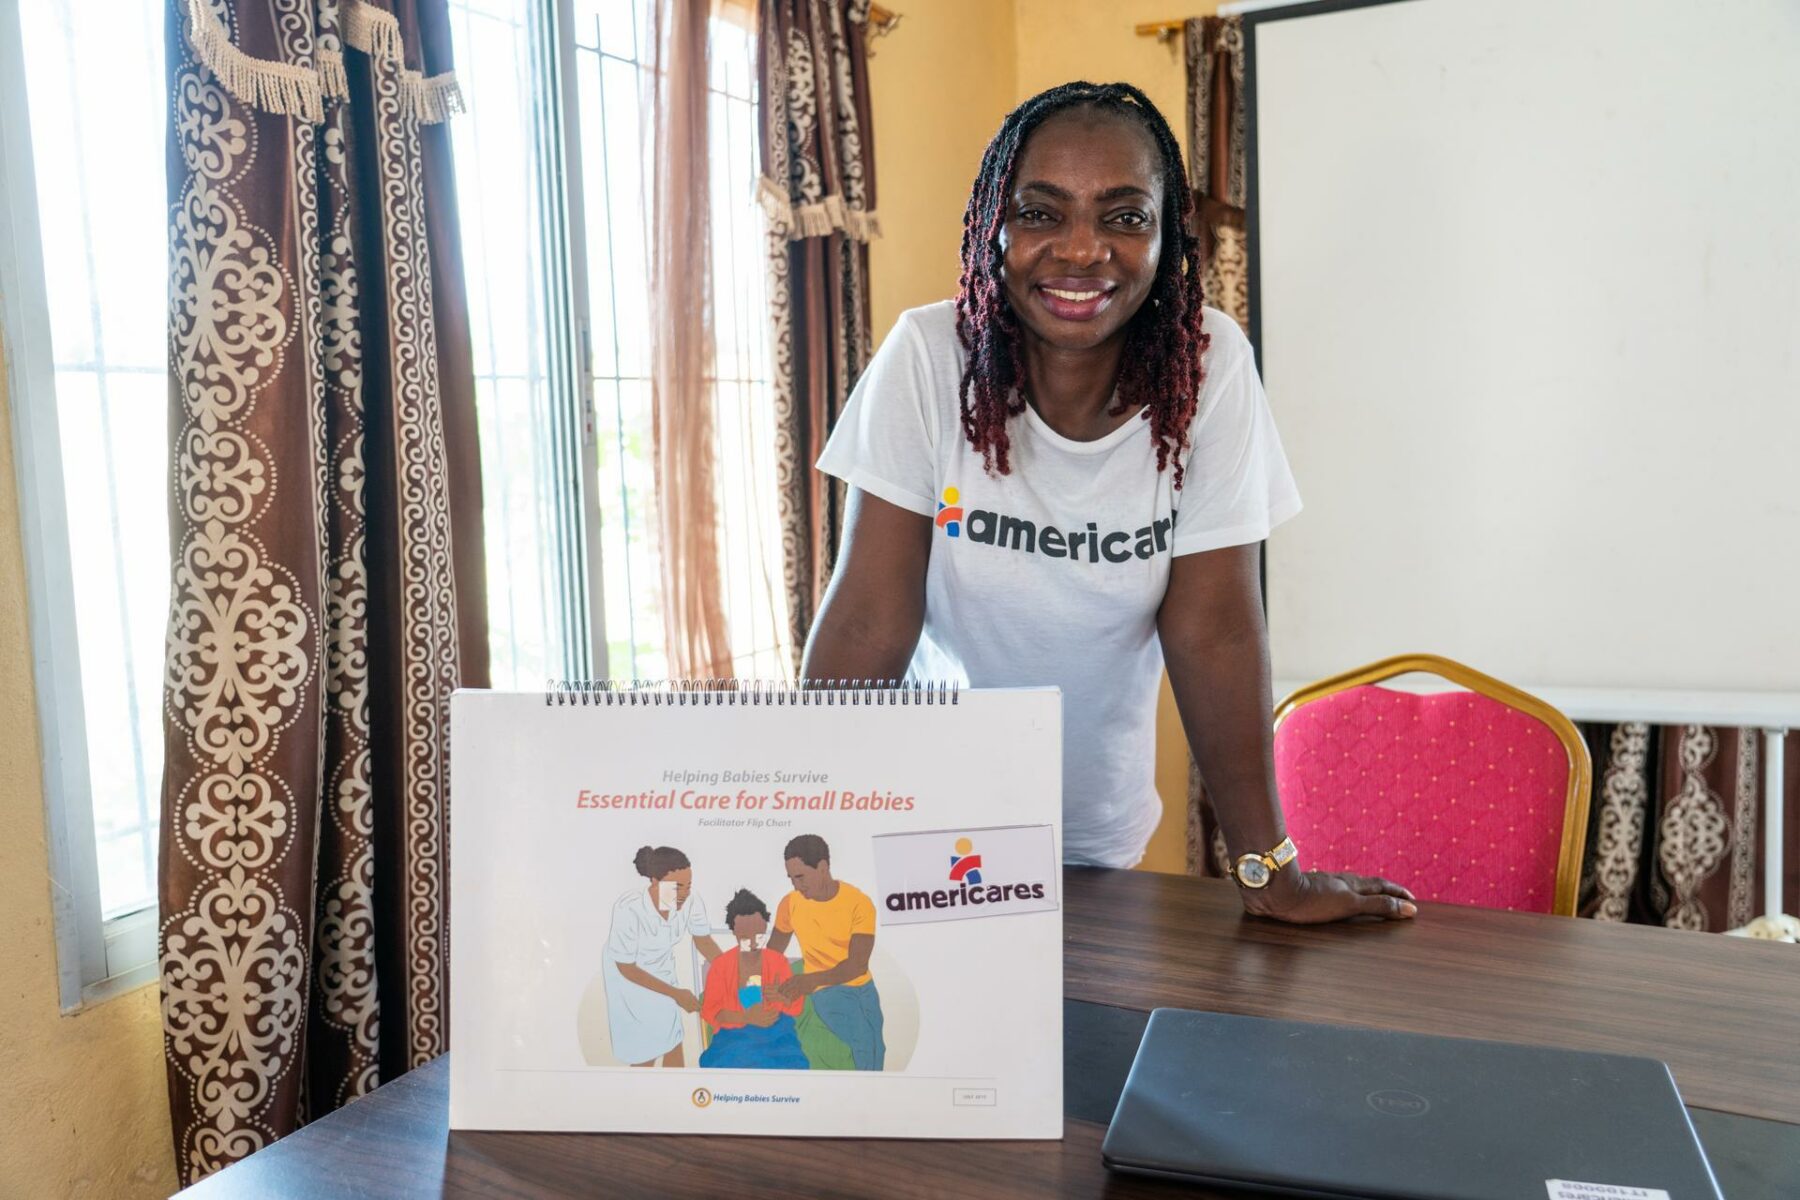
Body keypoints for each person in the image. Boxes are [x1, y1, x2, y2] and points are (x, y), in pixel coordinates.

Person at [807, 81, 1416, 925]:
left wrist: (1268, 869)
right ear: (995, 226)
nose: (1082, 250)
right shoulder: (924, 358)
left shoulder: (1211, 369)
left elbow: (1214, 631)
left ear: (1169, 240)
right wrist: (806, 848)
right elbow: (869, 625)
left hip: (1096, 848)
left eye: (1125, 217)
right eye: (1041, 212)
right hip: (922, 828)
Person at [765, 835, 884, 1069]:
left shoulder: (859, 903)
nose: (797, 886)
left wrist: (808, 981)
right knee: (862, 1042)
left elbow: (857, 965)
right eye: (791, 879)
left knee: (878, 1046)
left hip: (862, 985)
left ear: (822, 867)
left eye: (800, 877)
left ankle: (873, 1096)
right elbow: (773, 954)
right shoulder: (789, 904)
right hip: (827, 991)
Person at [601, 845, 722, 1067]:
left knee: (673, 1038)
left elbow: (703, 940)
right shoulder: (629, 908)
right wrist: (675, 993)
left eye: (688, 886)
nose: (684, 893)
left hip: (663, 968)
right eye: (676, 887)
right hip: (628, 975)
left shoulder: (691, 902)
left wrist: (728, 970)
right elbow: (626, 967)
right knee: (643, 1050)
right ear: (654, 881)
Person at [697, 889, 809, 1070]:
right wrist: (746, 1017)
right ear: (734, 933)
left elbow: (795, 1006)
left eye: (758, 936)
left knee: (793, 1064)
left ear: (765, 929)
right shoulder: (721, 966)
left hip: (777, 1037)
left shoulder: (777, 961)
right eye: (744, 937)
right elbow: (712, 1012)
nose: (753, 942)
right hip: (733, 1037)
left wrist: (780, 997)